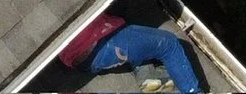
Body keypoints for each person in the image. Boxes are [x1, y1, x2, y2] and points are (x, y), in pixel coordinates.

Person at [56, 11, 206, 93]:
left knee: (140, 53)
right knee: (169, 44)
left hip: (85, 62)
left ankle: (157, 86)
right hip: (100, 43)